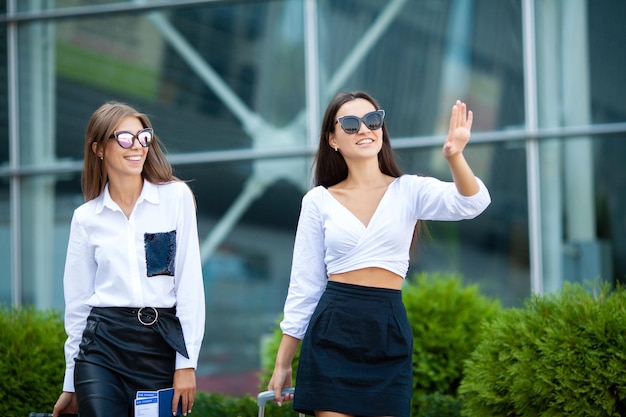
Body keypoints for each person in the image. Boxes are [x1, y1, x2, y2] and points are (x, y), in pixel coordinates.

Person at [267, 91, 491, 417]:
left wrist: (455, 155)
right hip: (333, 330)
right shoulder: (318, 201)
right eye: (350, 124)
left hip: (387, 330)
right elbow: (304, 287)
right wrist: (283, 362)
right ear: (332, 139)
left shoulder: (408, 190)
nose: (364, 130)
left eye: (373, 120)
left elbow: (473, 203)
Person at [52, 101, 206, 417]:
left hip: (160, 346)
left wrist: (186, 363)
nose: (137, 146)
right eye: (125, 138)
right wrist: (71, 383)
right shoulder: (86, 218)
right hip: (102, 347)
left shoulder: (175, 198)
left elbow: (190, 287)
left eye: (143, 137)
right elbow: (78, 306)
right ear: (98, 148)